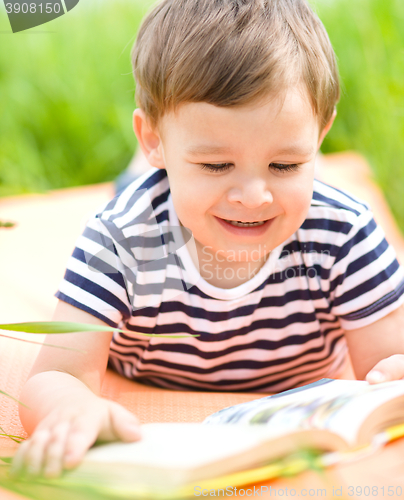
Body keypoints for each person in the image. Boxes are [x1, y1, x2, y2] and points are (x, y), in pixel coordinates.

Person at [12, 0, 404, 479]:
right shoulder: (120, 237)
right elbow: (56, 375)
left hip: (295, 379)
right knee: (142, 194)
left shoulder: (344, 232)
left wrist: (392, 375)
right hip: (159, 219)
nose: (254, 196)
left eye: (285, 165)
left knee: (195, 192)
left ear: (320, 135)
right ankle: (146, 170)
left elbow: (389, 358)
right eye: (217, 164)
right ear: (152, 136)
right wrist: (70, 409)